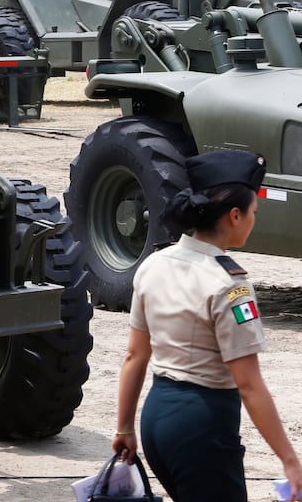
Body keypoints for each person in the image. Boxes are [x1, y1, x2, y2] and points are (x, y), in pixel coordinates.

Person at [112, 149, 302, 502]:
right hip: (202, 427)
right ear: (234, 215)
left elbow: (135, 357)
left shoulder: (155, 264)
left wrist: (124, 426)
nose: (253, 221)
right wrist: (290, 461)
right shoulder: (231, 286)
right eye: (253, 213)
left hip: (156, 420)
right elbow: (249, 385)